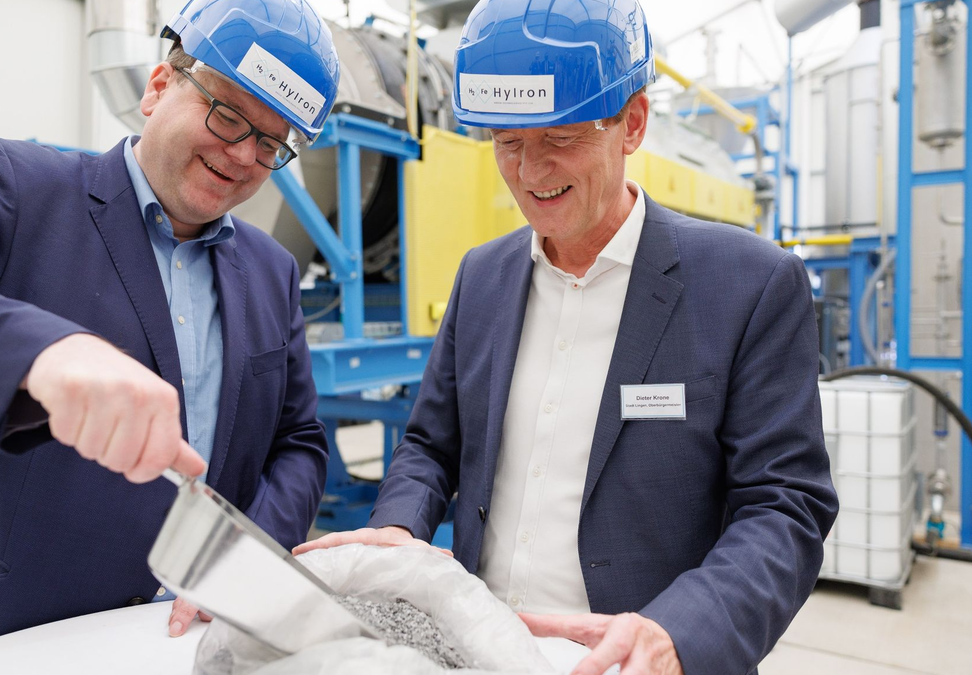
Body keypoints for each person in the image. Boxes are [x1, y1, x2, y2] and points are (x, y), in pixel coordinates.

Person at [294, 0, 838, 673]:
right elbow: (432, 444)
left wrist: (679, 631)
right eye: (507, 142)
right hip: (478, 647)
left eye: (559, 138)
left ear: (632, 123)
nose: (529, 173)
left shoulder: (749, 285)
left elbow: (785, 505)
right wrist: (399, 527)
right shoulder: (483, 276)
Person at [0, 1, 339, 672]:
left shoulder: (271, 270)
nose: (244, 155)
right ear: (159, 86)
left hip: (183, 645)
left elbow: (299, 444)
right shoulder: (22, 191)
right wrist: (39, 353)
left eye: (272, 144)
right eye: (228, 115)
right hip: (2, 637)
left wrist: (240, 558)